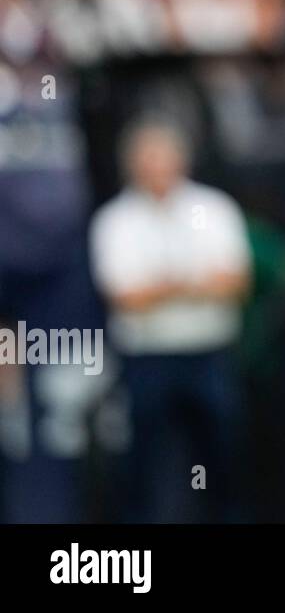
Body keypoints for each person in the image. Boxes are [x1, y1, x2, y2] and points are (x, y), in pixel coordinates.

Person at [89, 117, 250, 522]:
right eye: (148, 158)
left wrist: (162, 287)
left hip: (208, 353)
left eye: (165, 157)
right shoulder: (115, 220)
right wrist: (194, 284)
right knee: (142, 464)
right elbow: (126, 298)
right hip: (146, 358)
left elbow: (235, 282)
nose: (157, 167)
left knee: (219, 460)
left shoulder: (214, 208)